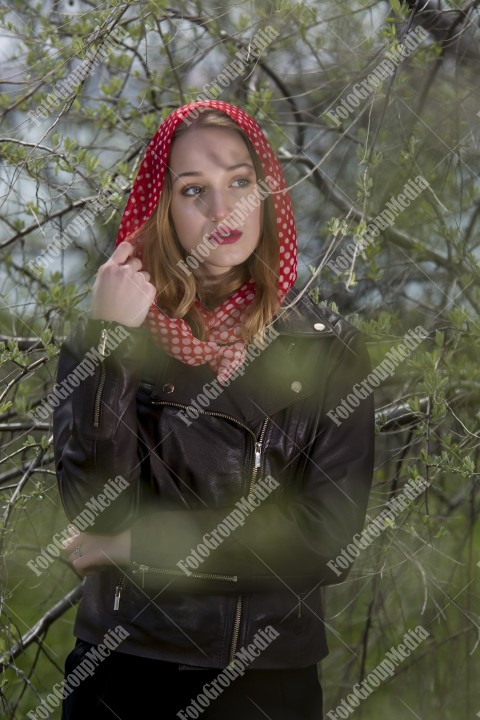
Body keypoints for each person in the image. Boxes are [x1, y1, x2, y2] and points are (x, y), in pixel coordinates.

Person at [53, 100, 374, 719]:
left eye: (240, 183)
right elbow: (94, 506)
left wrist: (135, 546)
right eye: (194, 189)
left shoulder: (330, 354)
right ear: (163, 208)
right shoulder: (108, 332)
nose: (223, 211)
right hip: (125, 673)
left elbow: (326, 540)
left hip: (267, 684)